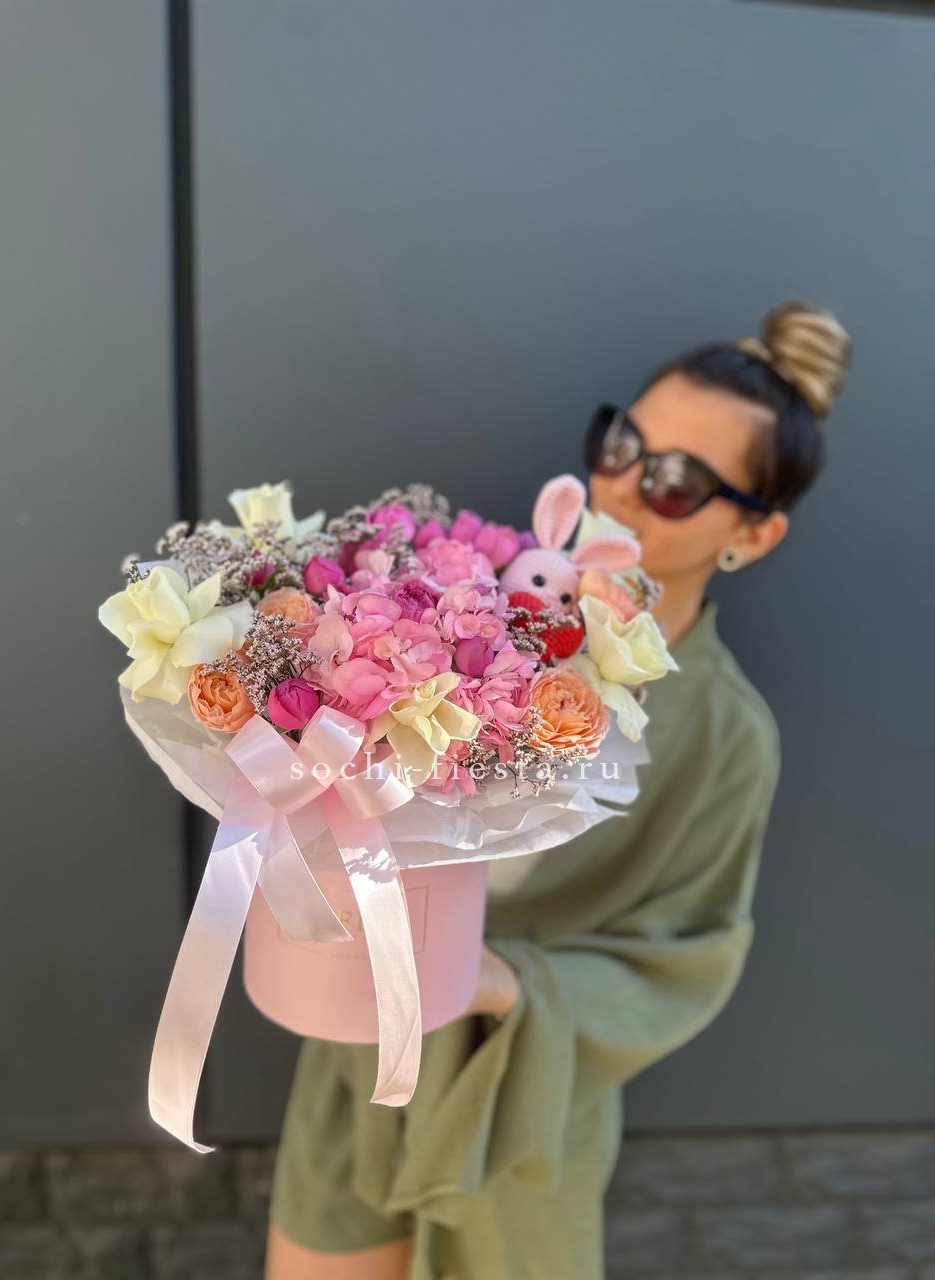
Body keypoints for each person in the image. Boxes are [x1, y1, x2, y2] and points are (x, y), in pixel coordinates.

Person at [264, 300, 852, 1280]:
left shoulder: (726, 736)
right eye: (623, 446)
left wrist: (501, 980)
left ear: (754, 533)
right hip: (359, 1046)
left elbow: (694, 950)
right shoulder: (462, 608)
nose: (621, 487)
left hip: (515, 1101)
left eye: (676, 482)